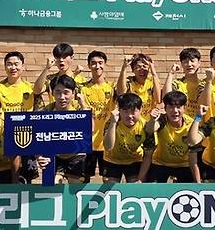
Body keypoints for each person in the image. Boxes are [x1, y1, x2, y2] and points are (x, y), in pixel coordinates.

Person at [0, 51, 36, 182]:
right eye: (9, 64)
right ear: (5, 67)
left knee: (25, 180)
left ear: (23, 66)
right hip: (3, 138)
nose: (13, 67)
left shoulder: (31, 89)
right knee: (8, 179)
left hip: (26, 138)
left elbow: (38, 113)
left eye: (16, 64)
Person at [39, 75, 88, 184]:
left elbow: (91, 129)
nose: (62, 97)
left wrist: (83, 105)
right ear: (52, 93)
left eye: (66, 92)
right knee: (53, 183)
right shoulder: (45, 112)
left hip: (76, 155)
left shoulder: (79, 110)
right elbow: (37, 138)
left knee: (75, 188)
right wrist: (39, 156)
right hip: (55, 156)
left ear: (73, 93)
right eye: (58, 92)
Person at [144, 91, 197, 183]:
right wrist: (152, 120)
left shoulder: (190, 124)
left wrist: (198, 182)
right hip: (160, 163)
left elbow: (193, 156)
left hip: (184, 165)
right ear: (165, 108)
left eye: (178, 107)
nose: (175, 111)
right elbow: (149, 130)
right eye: (171, 107)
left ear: (185, 108)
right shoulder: (162, 119)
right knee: (153, 188)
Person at [80, 50, 116, 182]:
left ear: (105, 64)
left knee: (107, 179)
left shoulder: (112, 87)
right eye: (93, 63)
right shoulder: (83, 88)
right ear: (89, 66)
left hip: (106, 143)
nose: (97, 66)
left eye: (100, 63)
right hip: (87, 142)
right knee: (83, 179)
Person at [102, 93, 153, 183]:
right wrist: (113, 123)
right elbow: (108, 147)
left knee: (135, 187)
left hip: (135, 160)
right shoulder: (111, 122)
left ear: (140, 109)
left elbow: (148, 156)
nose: (130, 116)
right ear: (119, 110)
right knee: (109, 187)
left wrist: (140, 179)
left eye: (133, 111)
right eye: (125, 111)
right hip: (112, 160)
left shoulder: (145, 126)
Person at [116, 53, 162, 120]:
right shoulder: (129, 82)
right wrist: (124, 68)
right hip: (132, 122)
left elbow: (158, 100)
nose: (141, 69)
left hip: (149, 122)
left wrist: (153, 71)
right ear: (133, 70)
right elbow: (121, 93)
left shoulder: (152, 81)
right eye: (138, 67)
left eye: (144, 66)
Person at [163, 48, 202, 118]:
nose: (189, 64)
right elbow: (166, 98)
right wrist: (171, 73)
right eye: (186, 61)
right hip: (182, 123)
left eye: (192, 61)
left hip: (199, 122)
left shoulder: (203, 84)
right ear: (181, 64)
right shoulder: (177, 83)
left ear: (199, 63)